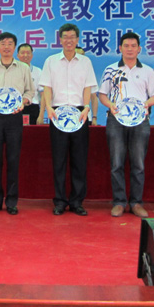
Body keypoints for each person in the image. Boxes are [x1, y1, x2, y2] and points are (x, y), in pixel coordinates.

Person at [97, 32, 154, 218]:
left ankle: (136, 202)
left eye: (133, 46)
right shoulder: (111, 69)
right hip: (116, 120)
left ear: (139, 49)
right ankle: (119, 202)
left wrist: (147, 104)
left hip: (140, 121)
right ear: (120, 48)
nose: (130, 49)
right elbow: (102, 95)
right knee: (116, 163)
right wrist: (111, 105)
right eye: (126, 45)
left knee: (138, 163)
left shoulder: (147, 71)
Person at [41, 23, 98, 216]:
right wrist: (49, 107)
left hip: (80, 113)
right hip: (57, 113)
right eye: (65, 37)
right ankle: (59, 201)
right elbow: (47, 87)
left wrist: (87, 107)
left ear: (77, 39)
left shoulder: (85, 62)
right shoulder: (51, 61)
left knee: (79, 160)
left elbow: (88, 87)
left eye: (72, 37)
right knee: (59, 160)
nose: (69, 40)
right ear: (60, 39)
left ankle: (76, 202)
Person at [0, 32, 35, 216]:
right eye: (3, 43)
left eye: (10, 43)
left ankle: (11, 202)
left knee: (13, 159)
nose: (7, 46)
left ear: (14, 47)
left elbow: (30, 92)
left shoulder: (23, 69)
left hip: (15, 117)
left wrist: (23, 102)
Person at [17, 43, 43, 125]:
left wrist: (41, 114)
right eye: (22, 53)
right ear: (18, 55)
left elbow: (42, 94)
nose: (25, 55)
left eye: (28, 53)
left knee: (31, 132)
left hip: (33, 107)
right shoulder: (12, 70)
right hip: (15, 107)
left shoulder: (38, 71)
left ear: (32, 55)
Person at [74, 46, 99, 125]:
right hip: (67, 114)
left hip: (85, 115)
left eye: (82, 55)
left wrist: (94, 117)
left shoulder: (88, 73)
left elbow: (94, 97)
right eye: (77, 54)